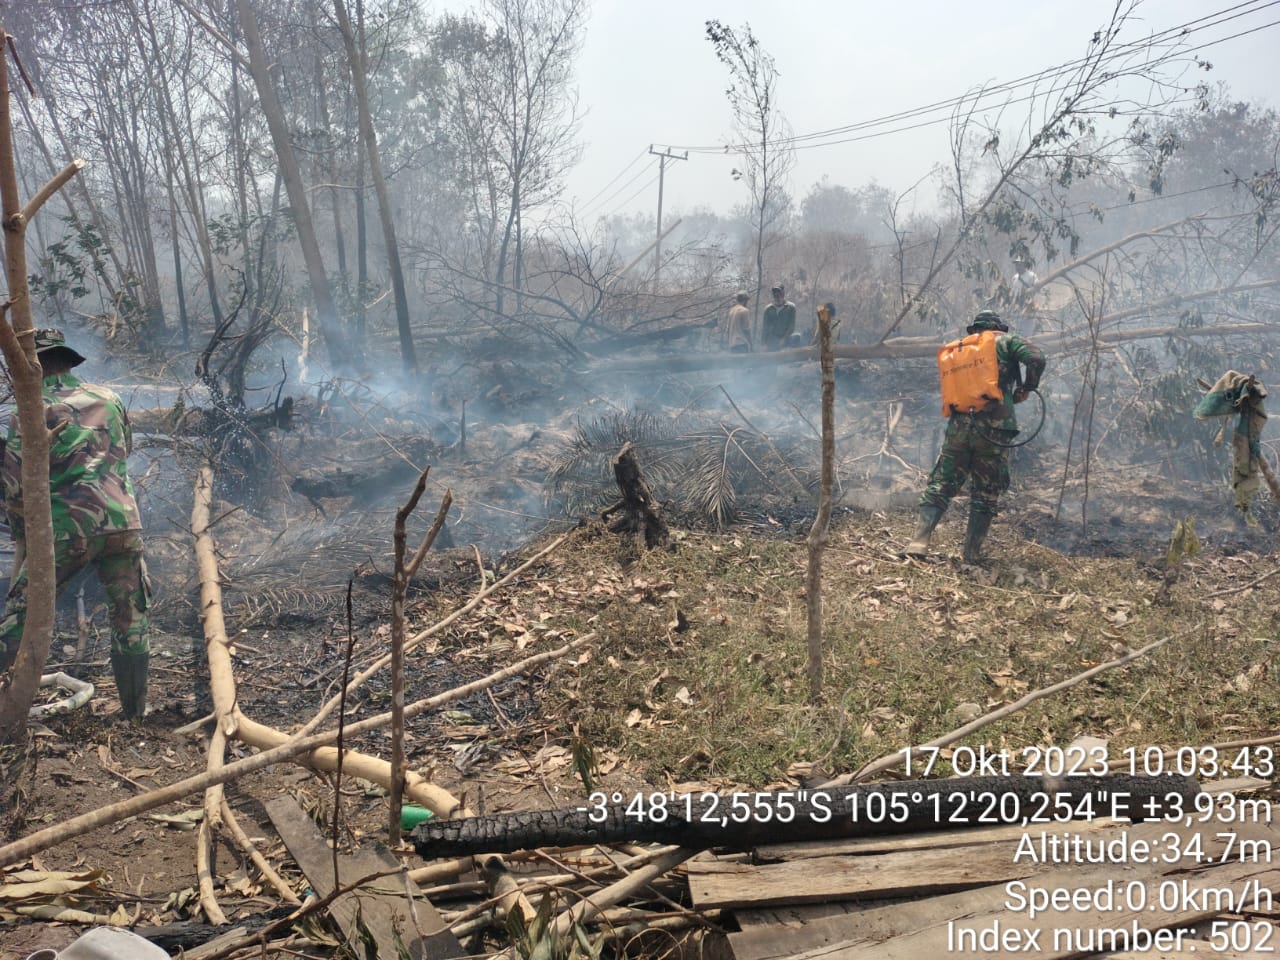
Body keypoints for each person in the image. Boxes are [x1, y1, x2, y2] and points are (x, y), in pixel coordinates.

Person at [0, 329, 150, 720]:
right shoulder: (110, 398)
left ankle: (5, 707)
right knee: (130, 618)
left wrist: (21, 537)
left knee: (19, 614)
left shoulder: (29, 411)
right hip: (123, 525)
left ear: (30, 365)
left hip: (68, 530)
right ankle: (135, 716)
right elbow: (124, 452)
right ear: (68, 361)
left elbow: (15, 487)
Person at [903, 310, 1045, 564]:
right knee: (985, 491)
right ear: (998, 327)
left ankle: (918, 541)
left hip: (959, 427)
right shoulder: (1006, 340)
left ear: (974, 329)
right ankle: (971, 554)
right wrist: (1027, 387)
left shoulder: (959, 349)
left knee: (941, 484)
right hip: (994, 429)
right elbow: (1036, 357)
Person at [761, 284, 797, 350]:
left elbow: (792, 326)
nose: (777, 296)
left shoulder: (791, 307)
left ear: (783, 294)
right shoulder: (768, 309)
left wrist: (784, 339)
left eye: (779, 293)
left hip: (787, 339)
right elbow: (765, 328)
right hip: (772, 340)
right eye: (775, 294)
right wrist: (763, 343)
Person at [1009, 256, 1039, 336]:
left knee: (1028, 330)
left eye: (1020, 265)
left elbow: (1037, 288)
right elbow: (1013, 293)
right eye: (1017, 265)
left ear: (1025, 265)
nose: (1018, 267)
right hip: (1017, 307)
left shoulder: (1032, 276)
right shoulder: (1014, 278)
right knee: (1018, 330)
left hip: (1028, 307)